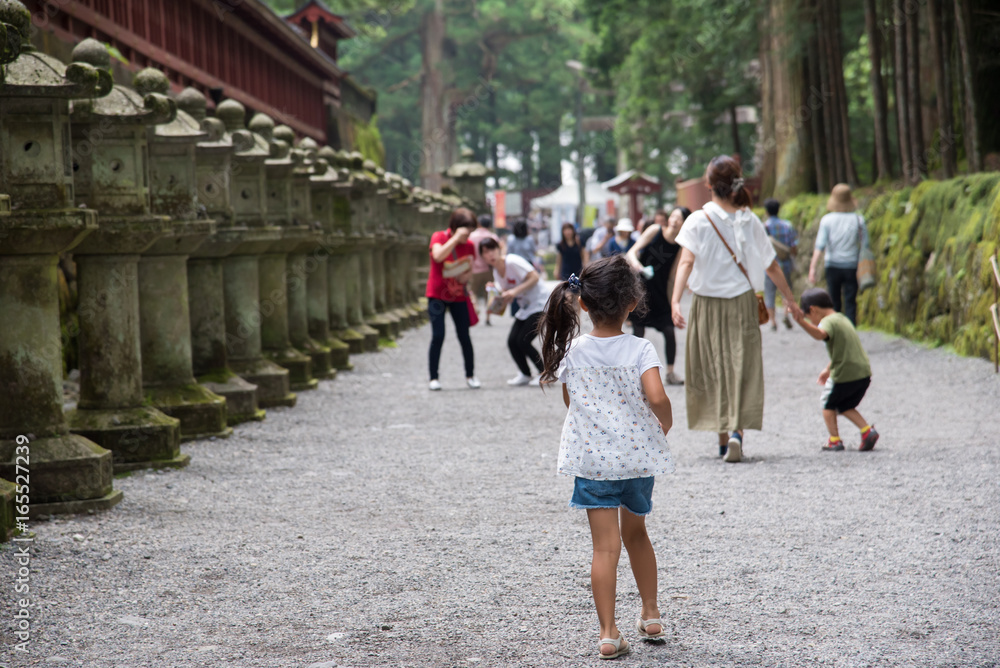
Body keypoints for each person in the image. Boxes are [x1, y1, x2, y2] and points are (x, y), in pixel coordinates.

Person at [538, 255, 675, 660]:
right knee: (637, 535)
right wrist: (662, 427)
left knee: (604, 548)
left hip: (594, 464)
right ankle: (651, 614)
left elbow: (570, 400)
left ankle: (607, 633)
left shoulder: (576, 351)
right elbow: (657, 397)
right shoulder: (640, 348)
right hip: (635, 461)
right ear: (633, 303)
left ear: (583, 304)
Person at [671, 156, 802, 462]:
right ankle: (736, 432)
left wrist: (676, 300)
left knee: (711, 366)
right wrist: (790, 300)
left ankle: (721, 438)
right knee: (740, 365)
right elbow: (771, 265)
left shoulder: (698, 220)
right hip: (743, 302)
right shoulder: (749, 219)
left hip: (706, 304)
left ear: (708, 186)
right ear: (736, 184)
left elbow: (686, 262)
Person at [793, 288, 880, 452]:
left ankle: (834, 440)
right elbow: (843, 349)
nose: (811, 321)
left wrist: (801, 323)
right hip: (862, 373)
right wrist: (828, 369)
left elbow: (820, 334)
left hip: (845, 374)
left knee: (827, 403)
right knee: (844, 405)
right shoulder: (842, 318)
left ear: (813, 309)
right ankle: (867, 431)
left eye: (809, 317)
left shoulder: (827, 321)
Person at [626, 207, 690, 385]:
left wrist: (673, 303)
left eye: (680, 218)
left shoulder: (680, 246)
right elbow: (632, 252)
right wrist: (638, 266)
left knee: (669, 331)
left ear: (684, 223)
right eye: (673, 216)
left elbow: (672, 277)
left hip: (661, 294)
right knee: (638, 331)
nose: (675, 220)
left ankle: (670, 373)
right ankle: (635, 372)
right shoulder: (655, 230)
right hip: (640, 290)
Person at [480, 238, 550, 386]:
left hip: (541, 303)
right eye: (485, 252)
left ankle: (544, 373)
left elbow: (535, 277)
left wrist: (514, 291)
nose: (490, 254)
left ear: (499, 249)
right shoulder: (496, 272)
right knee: (512, 341)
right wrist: (495, 291)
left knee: (523, 340)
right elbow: (507, 295)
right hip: (525, 307)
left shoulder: (511, 261)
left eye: (492, 249)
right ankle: (525, 373)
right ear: (483, 257)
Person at [425, 207, 479, 391]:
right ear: (456, 227)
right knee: (438, 335)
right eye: (467, 231)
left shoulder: (470, 245)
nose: (468, 236)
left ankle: (470, 375)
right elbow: (438, 256)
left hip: (458, 295)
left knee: (464, 336)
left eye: (471, 232)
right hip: (437, 294)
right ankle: (433, 377)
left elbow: (469, 271)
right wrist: (455, 239)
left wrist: (466, 276)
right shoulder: (439, 237)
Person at [808, 184, 867, 325]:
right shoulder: (858, 220)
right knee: (850, 300)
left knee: (834, 302)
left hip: (832, 265)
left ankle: (836, 331)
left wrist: (813, 268)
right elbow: (865, 244)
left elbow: (819, 246)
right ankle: (851, 331)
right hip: (852, 265)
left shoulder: (827, 220)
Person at [762, 198, 799, 331]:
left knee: (770, 293)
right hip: (785, 264)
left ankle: (772, 321)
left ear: (766, 211)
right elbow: (794, 246)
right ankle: (786, 314)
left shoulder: (764, 227)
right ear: (779, 210)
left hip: (769, 266)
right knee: (786, 290)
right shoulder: (787, 225)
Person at [468, 214, 501, 326]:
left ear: (478, 223)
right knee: (489, 293)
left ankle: (475, 308)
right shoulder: (493, 237)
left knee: (473, 292)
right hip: (489, 270)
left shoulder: (471, 236)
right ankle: (487, 317)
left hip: (474, 269)